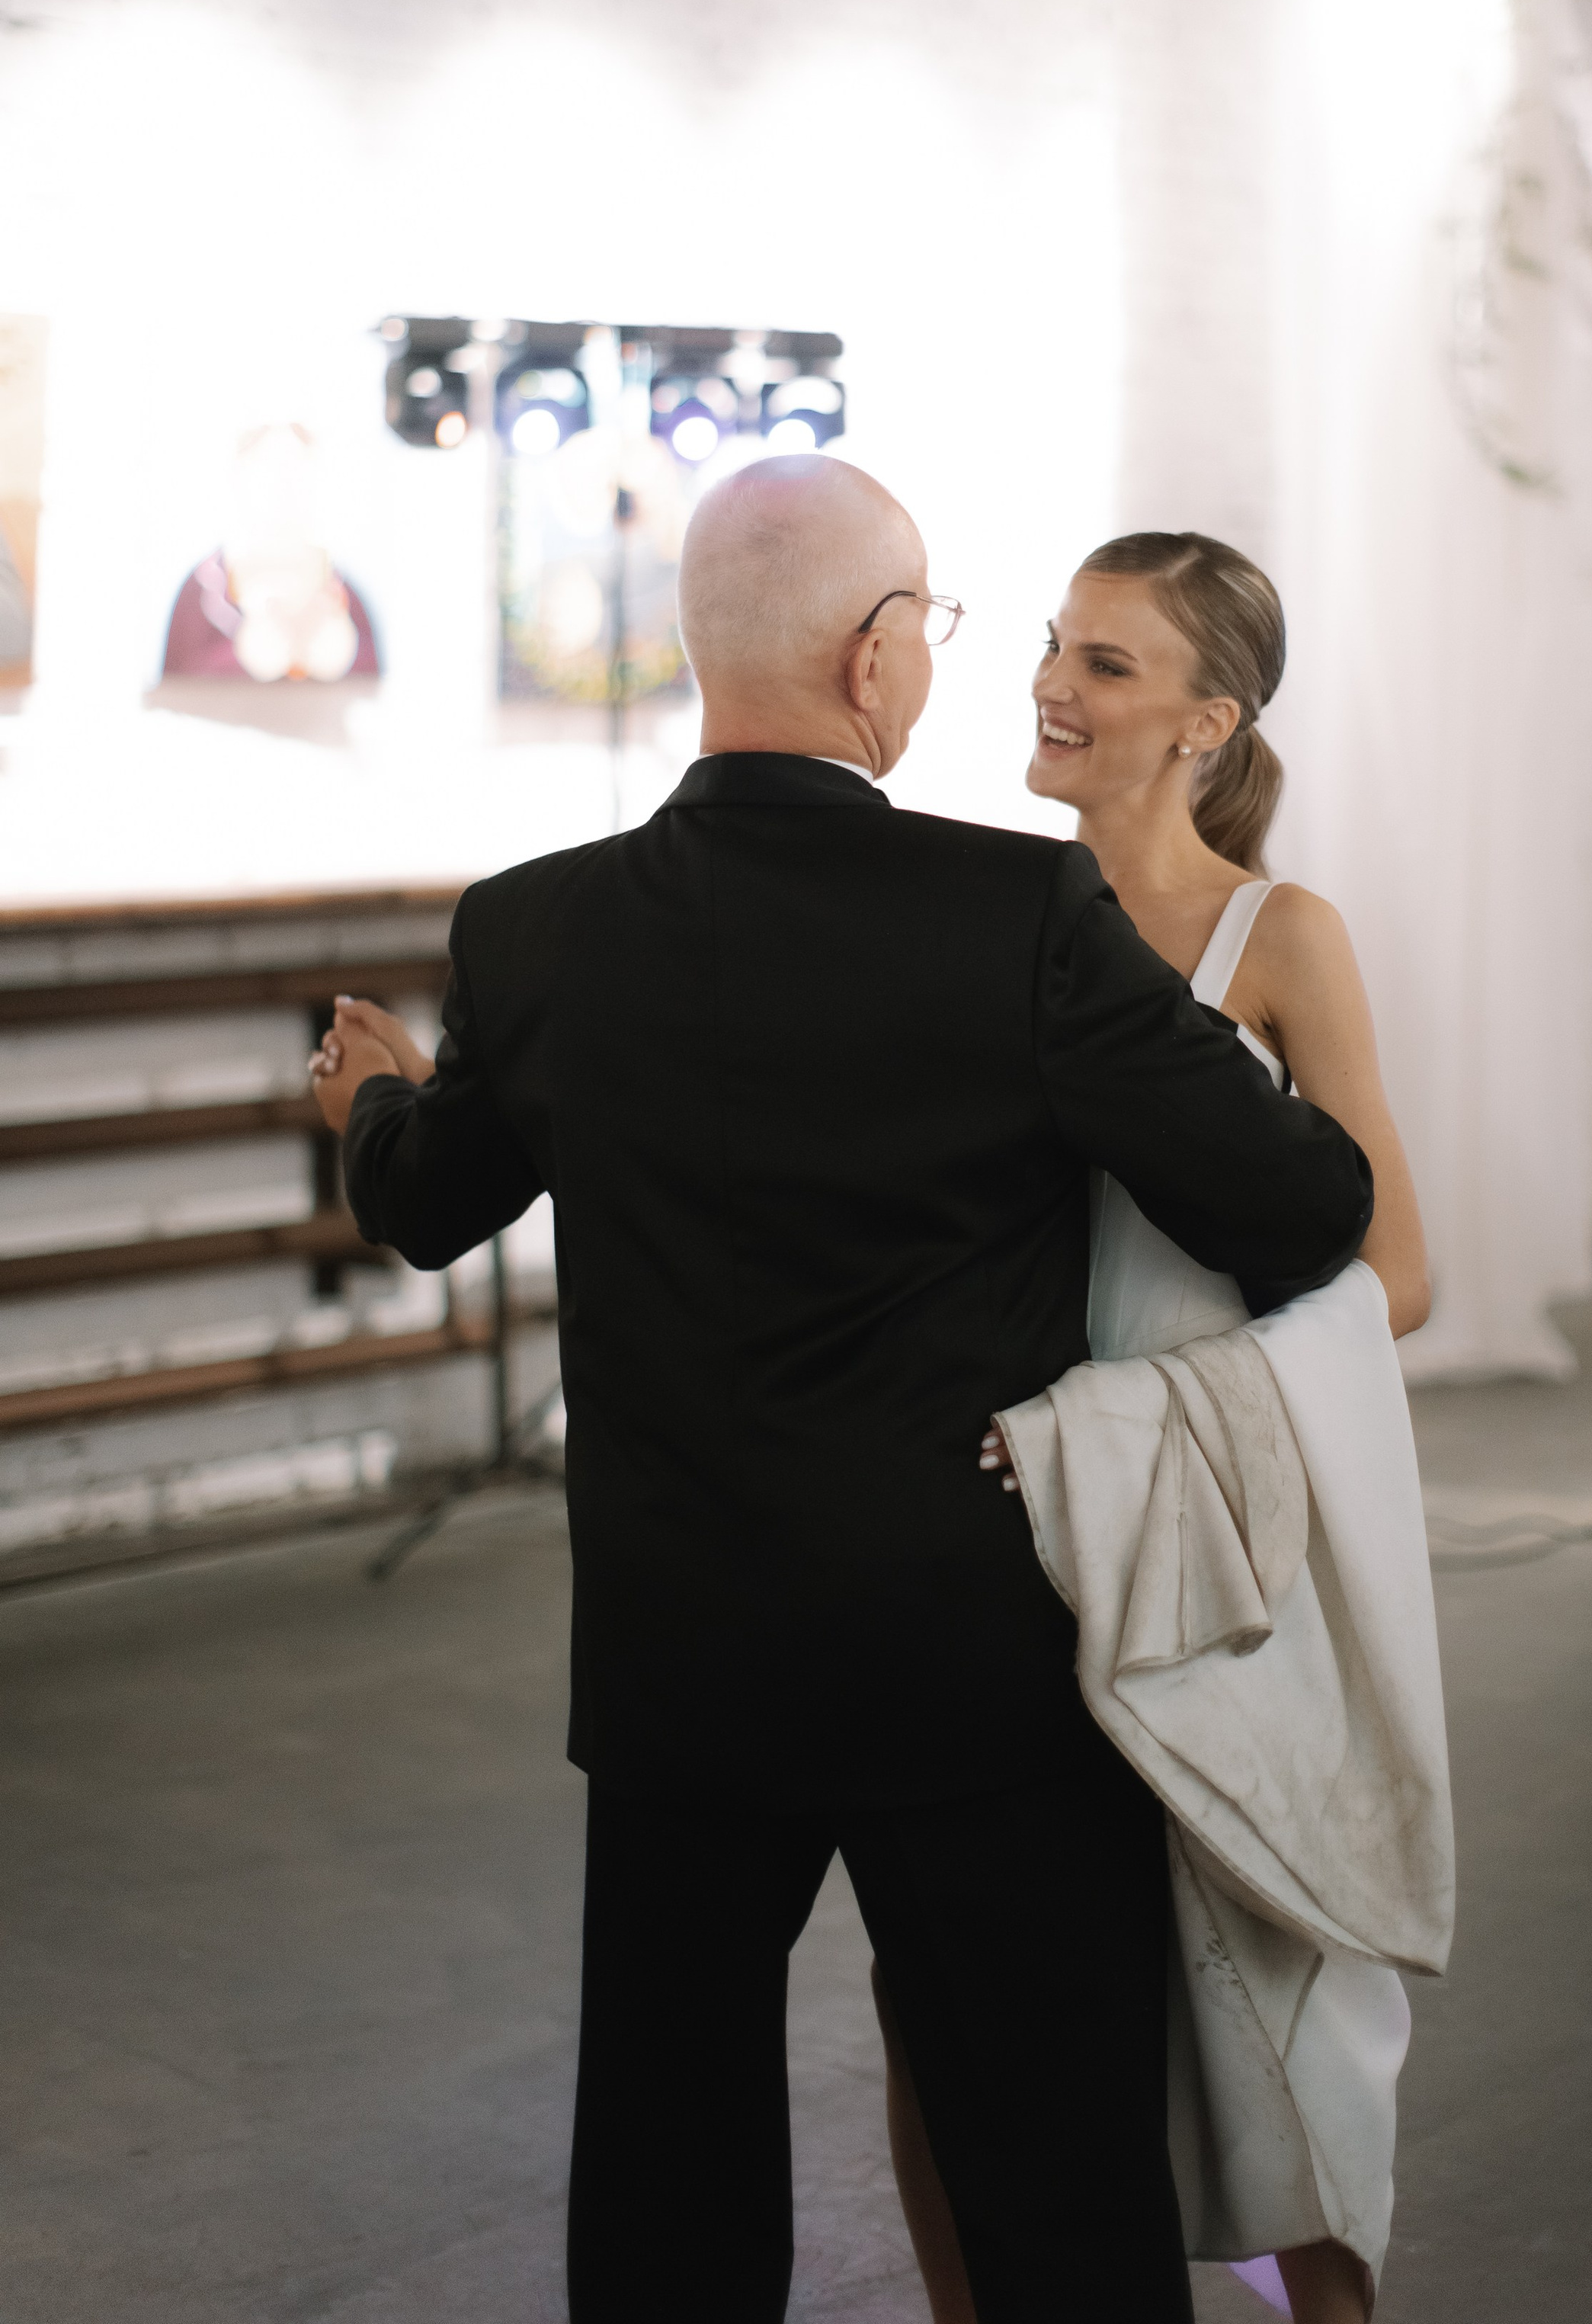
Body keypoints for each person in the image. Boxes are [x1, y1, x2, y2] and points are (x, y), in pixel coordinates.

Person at [305, 456, 1375, 2324]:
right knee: (1052, 2166)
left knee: (666, 2163)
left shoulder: (541, 927)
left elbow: (425, 1202)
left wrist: (377, 1101)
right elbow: (1306, 1211)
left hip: (676, 1647)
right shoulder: (1018, 917)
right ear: (879, 657)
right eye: (942, 628)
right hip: (965, 1635)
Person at [879, 527, 1432, 2324]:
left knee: (1269, 1963)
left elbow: (1395, 1273)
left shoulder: (1282, 938)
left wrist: (1149, 1421)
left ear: (1208, 721)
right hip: (1008, 1518)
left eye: (1104, 665)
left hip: (1213, 1509)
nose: (1049, 684)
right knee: (961, 1990)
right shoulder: (974, 922)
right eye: (1051, 645)